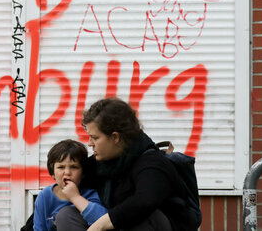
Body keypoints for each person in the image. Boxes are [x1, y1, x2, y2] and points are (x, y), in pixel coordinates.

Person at [80, 98, 199, 231]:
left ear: (115, 137)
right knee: (67, 214)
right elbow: (73, 176)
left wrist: (101, 224)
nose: (90, 143)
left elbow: (145, 201)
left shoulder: (152, 163)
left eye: (95, 138)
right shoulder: (102, 162)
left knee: (143, 216)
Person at [33, 139, 107, 231]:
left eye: (74, 167)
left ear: (83, 173)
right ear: (52, 173)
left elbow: (103, 221)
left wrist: (75, 197)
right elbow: (39, 228)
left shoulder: (89, 195)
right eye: (61, 167)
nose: (67, 172)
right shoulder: (44, 196)